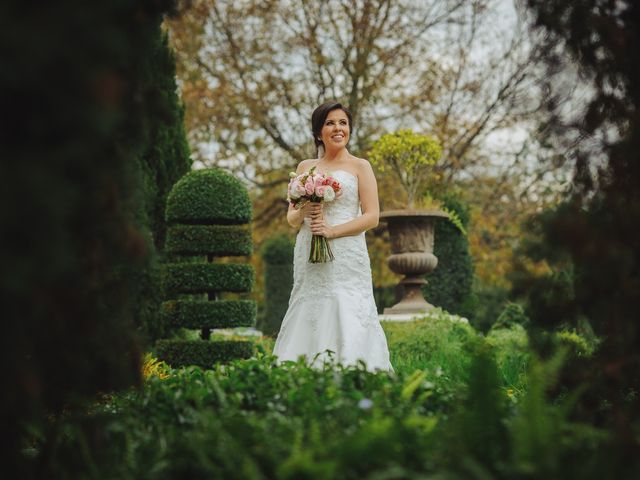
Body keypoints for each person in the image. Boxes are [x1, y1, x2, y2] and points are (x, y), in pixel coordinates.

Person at [272, 101, 393, 372]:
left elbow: (372, 216)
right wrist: (307, 207)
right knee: (309, 302)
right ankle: (302, 372)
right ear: (318, 132)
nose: (338, 128)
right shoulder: (305, 167)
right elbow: (292, 219)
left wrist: (332, 232)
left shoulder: (361, 166)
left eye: (343, 123)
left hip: (347, 251)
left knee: (346, 302)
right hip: (308, 247)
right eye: (330, 123)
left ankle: (354, 373)